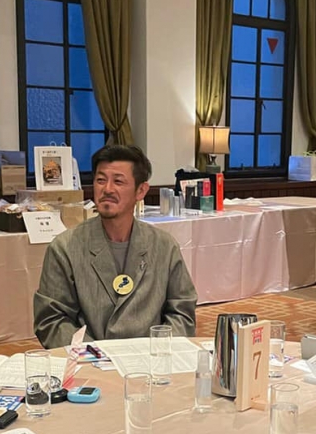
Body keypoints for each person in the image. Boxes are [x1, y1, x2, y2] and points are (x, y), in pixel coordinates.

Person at [34, 145, 197, 348]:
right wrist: (94, 355)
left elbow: (182, 312)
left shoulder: (163, 246)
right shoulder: (65, 248)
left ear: (141, 190)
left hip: (150, 358)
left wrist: (157, 351)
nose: (108, 189)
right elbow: (51, 320)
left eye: (118, 181)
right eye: (101, 180)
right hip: (90, 360)